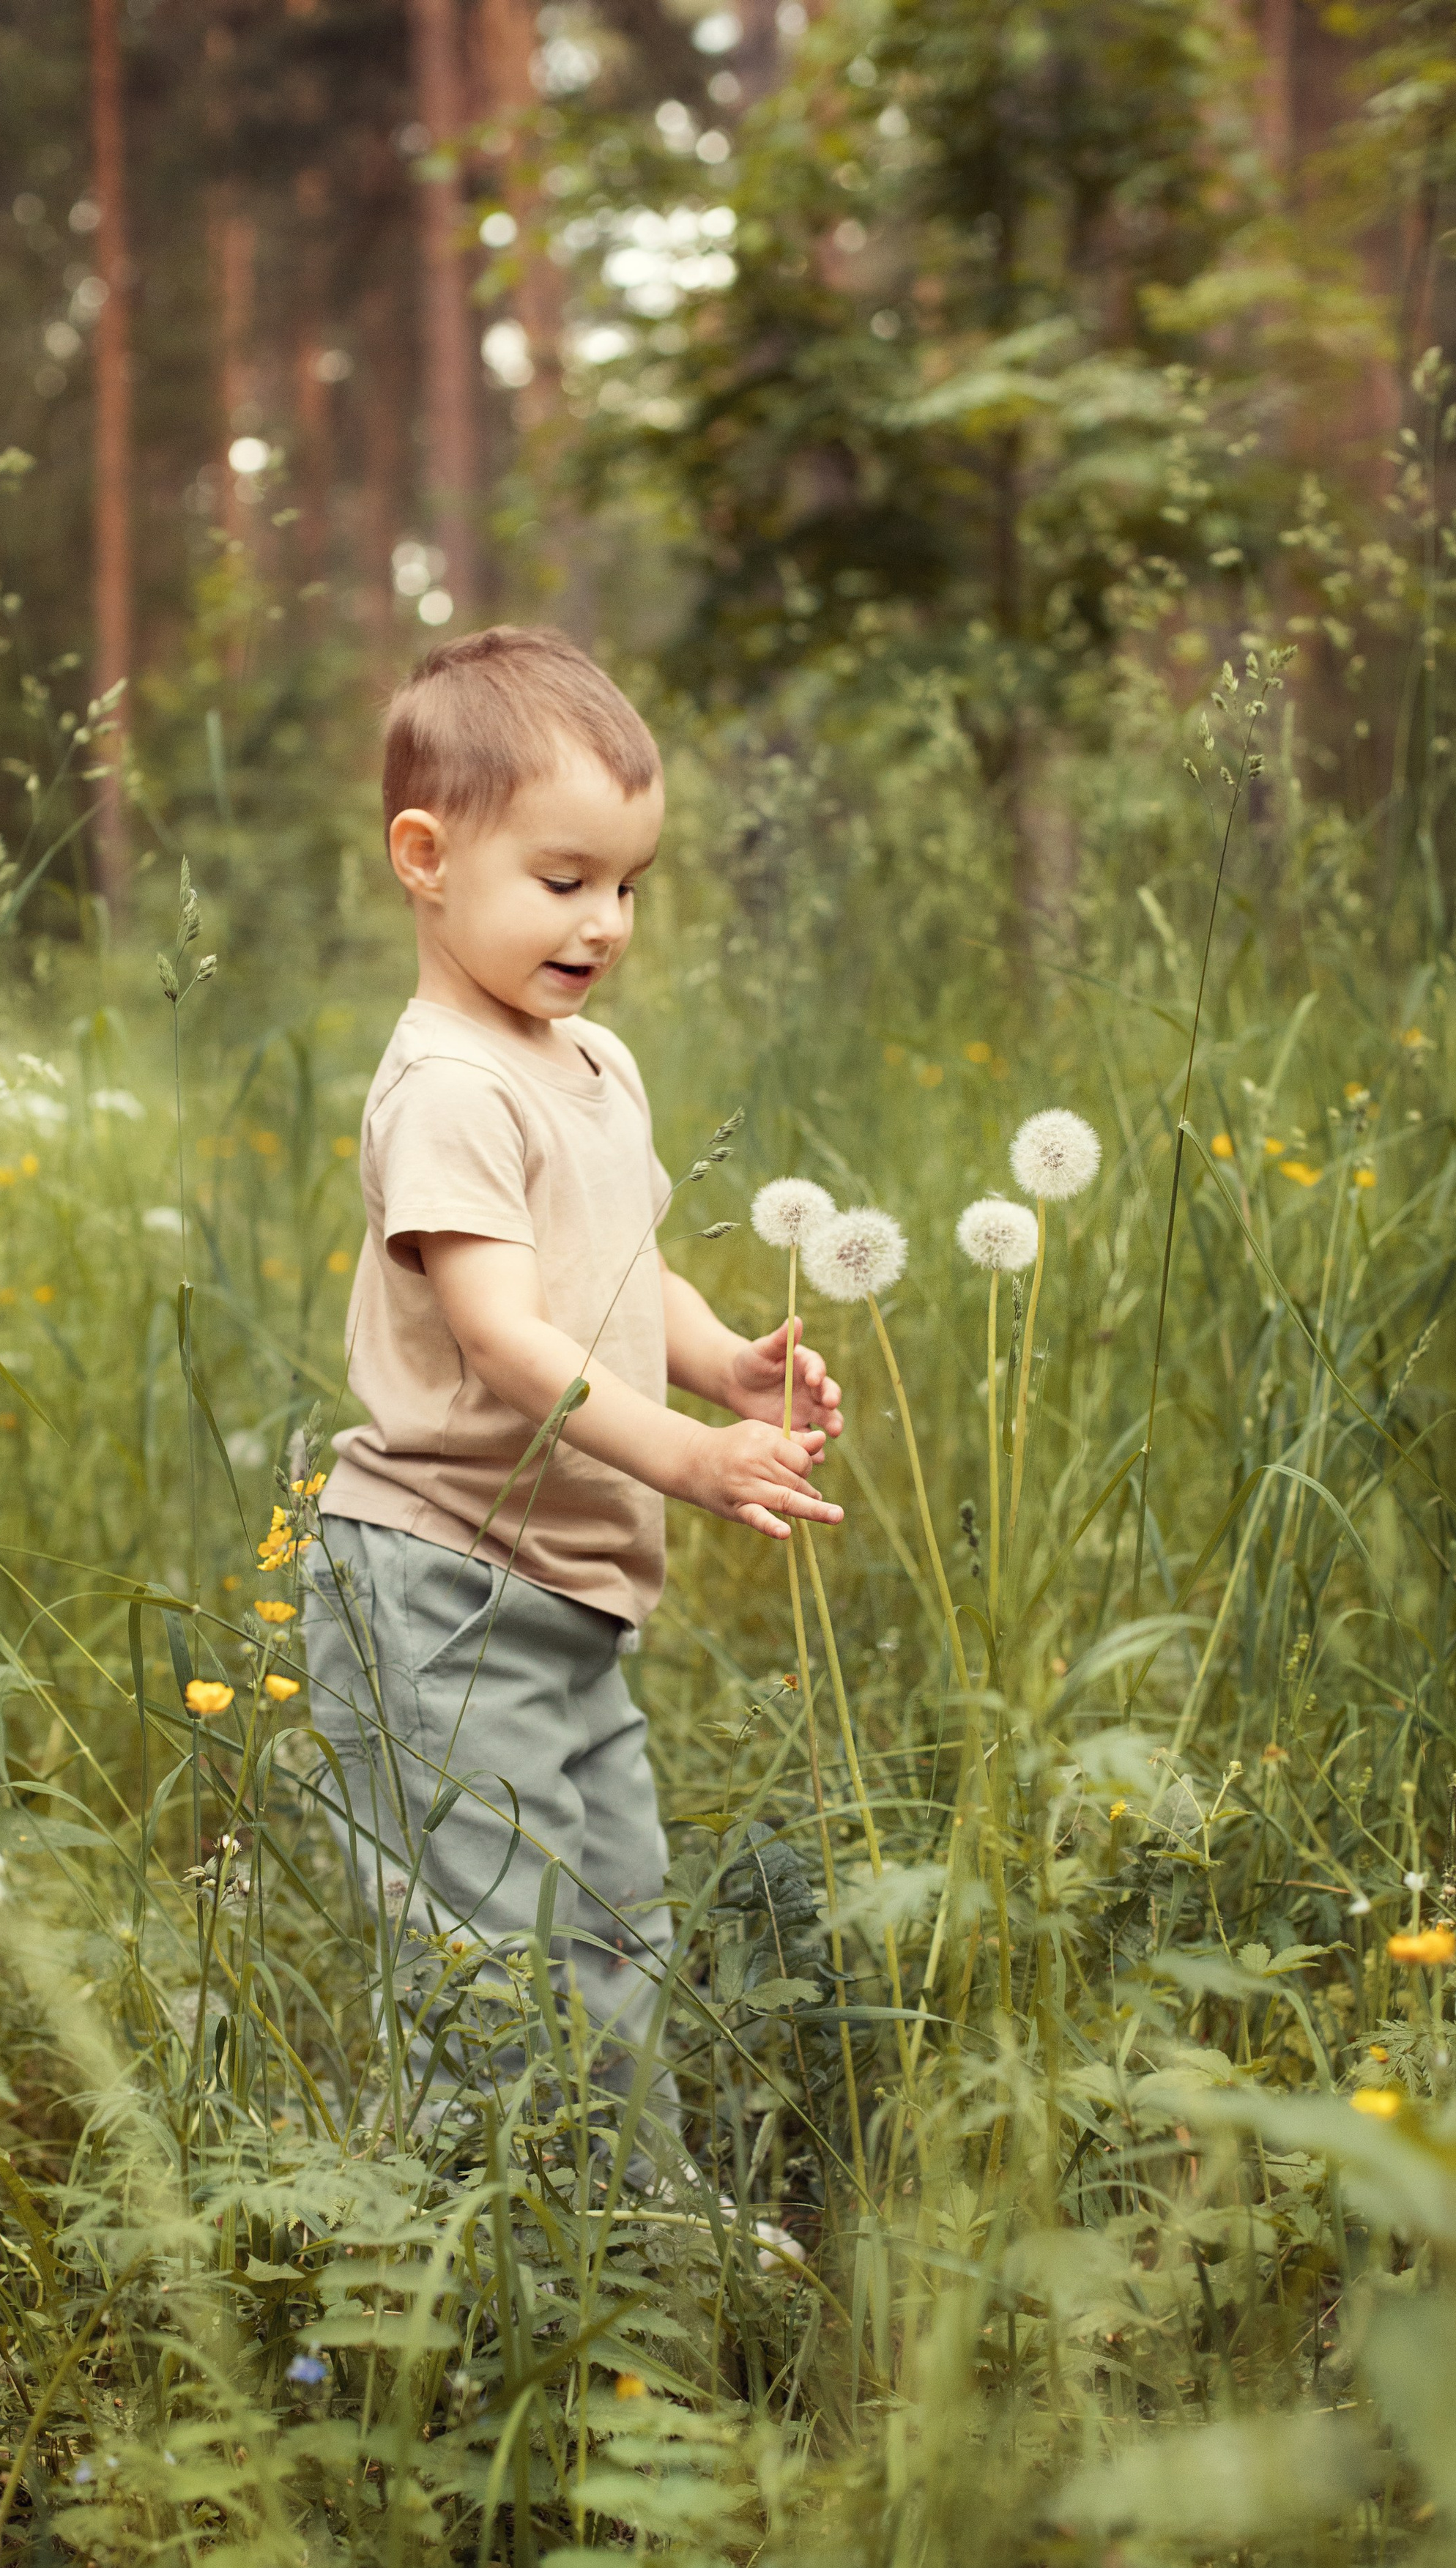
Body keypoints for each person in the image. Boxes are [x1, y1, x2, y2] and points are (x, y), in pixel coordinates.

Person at [300, 624, 842, 2175]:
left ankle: (639, 2234)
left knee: (616, 1927)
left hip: (563, 1596)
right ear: (424, 855)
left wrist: (719, 1358)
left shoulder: (586, 1063)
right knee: (495, 1953)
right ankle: (498, 2281)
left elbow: (616, 1269)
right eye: (562, 880)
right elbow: (504, 1338)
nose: (602, 921)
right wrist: (684, 1452)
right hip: (438, 1586)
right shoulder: (449, 1091)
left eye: (627, 885)